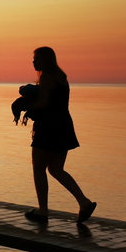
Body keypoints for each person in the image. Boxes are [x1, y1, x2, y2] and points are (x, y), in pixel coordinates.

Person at [25, 47, 96, 223]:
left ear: (45, 60)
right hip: (63, 125)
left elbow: (44, 103)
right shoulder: (61, 76)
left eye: (36, 58)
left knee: (39, 167)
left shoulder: (48, 77)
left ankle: (43, 211)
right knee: (56, 169)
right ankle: (84, 202)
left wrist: (27, 105)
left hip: (49, 127)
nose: (33, 62)